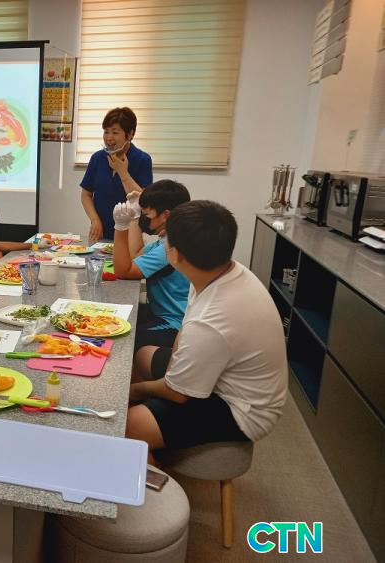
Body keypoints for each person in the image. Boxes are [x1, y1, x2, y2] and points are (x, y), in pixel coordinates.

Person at [126, 201, 288, 456]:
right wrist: (170, 372)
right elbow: (185, 332)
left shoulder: (210, 321)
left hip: (241, 409)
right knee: (142, 355)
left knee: (124, 426)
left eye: (166, 238)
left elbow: (177, 393)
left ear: (176, 255)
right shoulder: (218, 271)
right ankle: (155, 427)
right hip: (223, 374)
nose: (161, 239)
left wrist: (136, 390)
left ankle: (150, 459)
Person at [111, 180, 191, 379]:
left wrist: (120, 228)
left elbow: (123, 270)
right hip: (163, 313)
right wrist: (134, 217)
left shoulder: (170, 247)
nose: (145, 220)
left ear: (166, 215)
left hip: (174, 322)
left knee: (124, 341)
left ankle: (130, 390)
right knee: (120, 320)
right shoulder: (169, 239)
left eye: (147, 215)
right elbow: (135, 254)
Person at [80, 107, 153, 241]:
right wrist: (95, 219)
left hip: (129, 232)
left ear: (130, 134)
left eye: (115, 132)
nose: (109, 138)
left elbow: (144, 201)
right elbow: (86, 194)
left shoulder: (142, 159)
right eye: (106, 132)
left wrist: (123, 172)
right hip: (100, 231)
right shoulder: (98, 158)